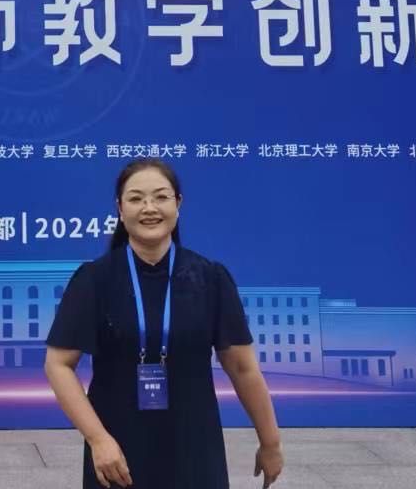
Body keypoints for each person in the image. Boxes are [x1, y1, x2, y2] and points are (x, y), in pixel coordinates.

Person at [44, 157, 284, 489]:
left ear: (178, 204)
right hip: (118, 453)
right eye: (136, 198)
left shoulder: (210, 278)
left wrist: (270, 442)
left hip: (195, 448)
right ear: (120, 208)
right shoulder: (94, 280)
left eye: (160, 197)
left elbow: (243, 368)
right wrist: (97, 439)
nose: (149, 208)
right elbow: (58, 364)